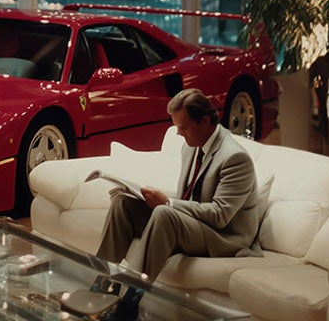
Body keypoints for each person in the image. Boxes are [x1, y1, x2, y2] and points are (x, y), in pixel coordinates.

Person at [94, 88, 259, 279]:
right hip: (194, 224)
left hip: (223, 237)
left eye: (183, 127)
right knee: (123, 203)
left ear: (205, 121)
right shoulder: (191, 147)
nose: (178, 133)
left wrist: (168, 203)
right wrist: (140, 193)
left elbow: (219, 215)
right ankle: (100, 288)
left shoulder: (235, 158)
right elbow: (187, 198)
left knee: (164, 214)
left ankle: (129, 300)